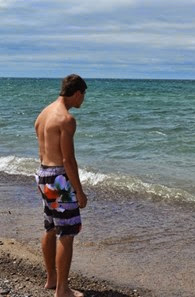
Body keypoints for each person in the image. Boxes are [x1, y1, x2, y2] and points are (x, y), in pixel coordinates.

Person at [34, 74, 88, 297]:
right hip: (59, 180)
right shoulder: (66, 119)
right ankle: (62, 290)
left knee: (50, 227)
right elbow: (68, 160)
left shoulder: (44, 114)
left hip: (42, 173)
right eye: (83, 96)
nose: (83, 100)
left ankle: (52, 279)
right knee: (67, 232)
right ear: (77, 93)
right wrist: (79, 190)